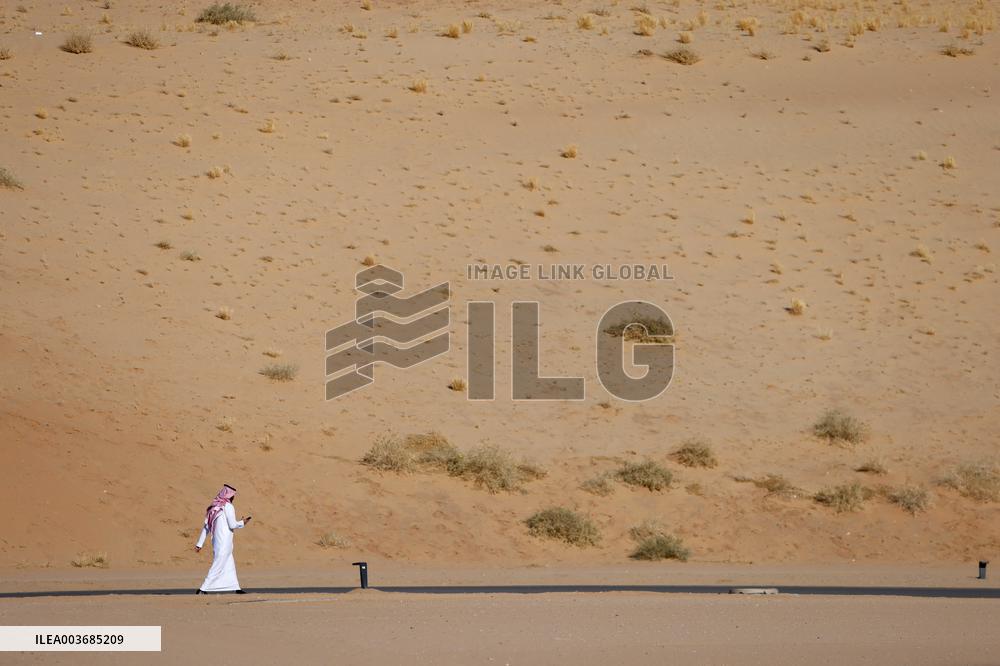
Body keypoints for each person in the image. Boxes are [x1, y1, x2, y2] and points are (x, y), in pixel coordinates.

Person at [194, 484, 252, 594]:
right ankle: (203, 588)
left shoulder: (213, 507)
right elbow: (232, 524)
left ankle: (235, 587)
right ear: (230, 496)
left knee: (229, 564)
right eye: (233, 496)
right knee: (218, 564)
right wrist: (242, 523)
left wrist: (199, 544)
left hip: (217, 541)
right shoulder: (228, 506)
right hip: (224, 541)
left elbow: (206, 527)